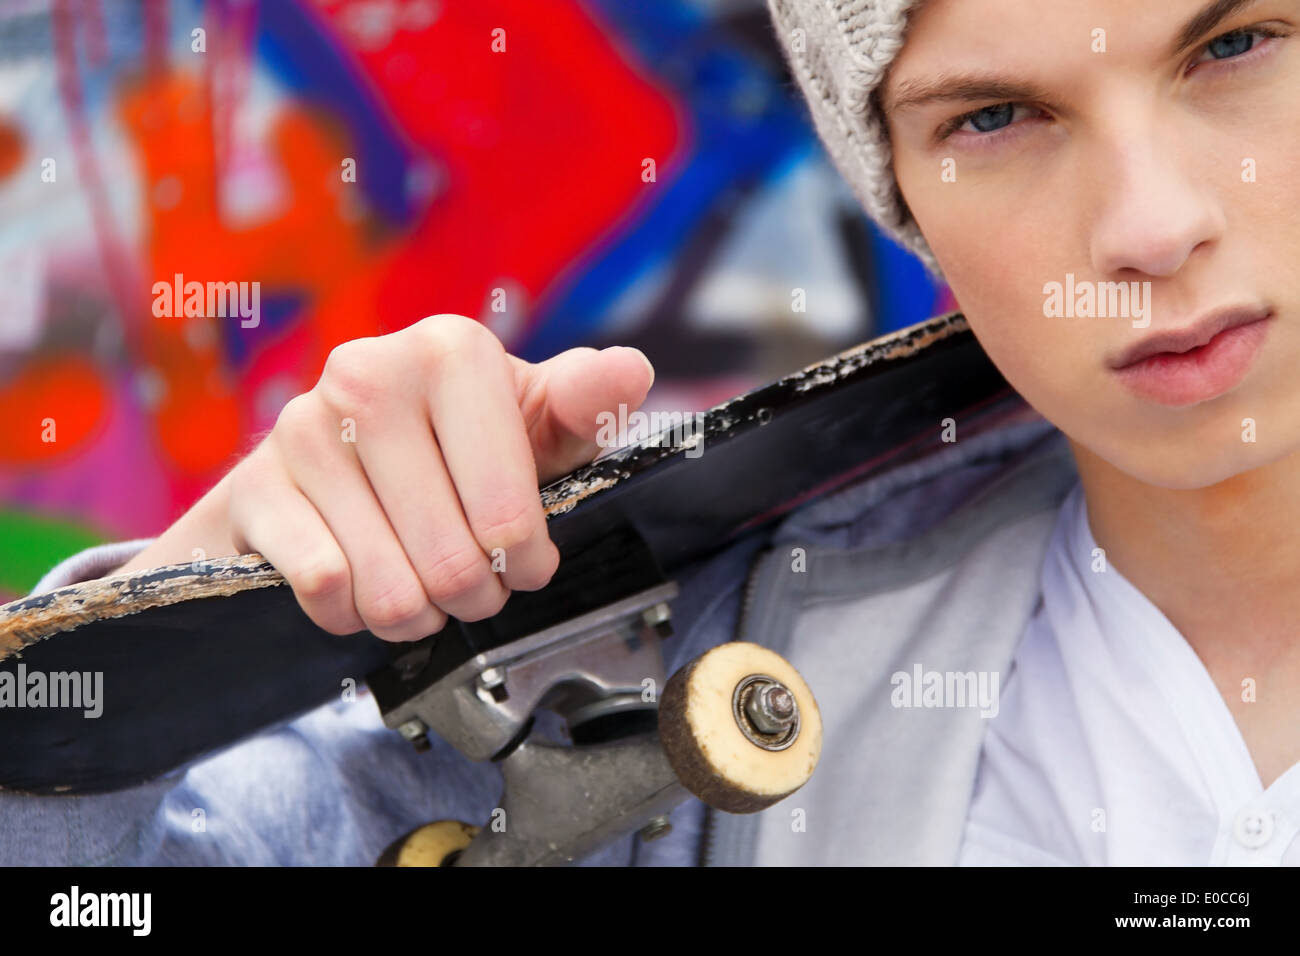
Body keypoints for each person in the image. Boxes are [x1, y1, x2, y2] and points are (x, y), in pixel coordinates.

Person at [6, 0, 1298, 865]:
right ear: (899, 185)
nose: (1149, 223)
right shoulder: (690, 677)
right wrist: (159, 643)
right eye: (994, 118)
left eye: (1235, 45)